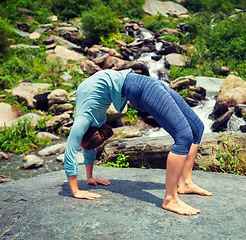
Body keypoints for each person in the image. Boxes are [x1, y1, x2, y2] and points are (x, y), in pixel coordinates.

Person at [64, 69, 212, 215]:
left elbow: (70, 151)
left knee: (196, 128)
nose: (73, 133)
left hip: (144, 84)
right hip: (141, 87)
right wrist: (89, 178)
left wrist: (76, 190)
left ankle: (186, 183)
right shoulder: (90, 121)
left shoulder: (84, 120)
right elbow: (89, 147)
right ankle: (170, 199)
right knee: (184, 136)